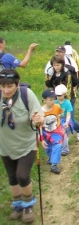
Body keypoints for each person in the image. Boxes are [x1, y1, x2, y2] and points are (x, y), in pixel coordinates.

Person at [0, 69, 44, 223]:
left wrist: (37, 120)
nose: (5, 90)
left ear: (17, 84)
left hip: (26, 144)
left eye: (9, 86)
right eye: (2, 86)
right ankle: (17, 204)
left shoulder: (26, 95)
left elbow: (38, 119)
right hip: (5, 146)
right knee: (12, 177)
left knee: (22, 175)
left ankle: (28, 204)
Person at [45, 56, 79, 141]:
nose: (56, 67)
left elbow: (69, 87)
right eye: (54, 65)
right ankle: (61, 137)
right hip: (57, 97)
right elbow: (49, 85)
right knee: (58, 118)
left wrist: (66, 101)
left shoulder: (67, 73)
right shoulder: (51, 72)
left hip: (69, 98)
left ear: (62, 65)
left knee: (70, 119)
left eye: (58, 65)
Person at [40, 89, 64, 175]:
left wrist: (61, 124)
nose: (53, 101)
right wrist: (41, 138)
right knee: (48, 147)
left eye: (54, 99)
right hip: (45, 132)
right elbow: (39, 125)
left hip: (56, 131)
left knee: (57, 145)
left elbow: (60, 113)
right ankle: (51, 157)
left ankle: (54, 165)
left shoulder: (57, 107)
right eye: (50, 100)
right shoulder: (40, 111)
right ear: (44, 100)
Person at [53, 85, 74, 157]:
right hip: (57, 120)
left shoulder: (67, 103)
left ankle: (65, 149)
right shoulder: (55, 102)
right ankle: (59, 147)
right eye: (57, 95)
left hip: (65, 120)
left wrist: (67, 122)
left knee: (64, 135)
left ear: (64, 94)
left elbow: (68, 114)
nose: (58, 97)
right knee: (58, 135)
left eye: (60, 95)